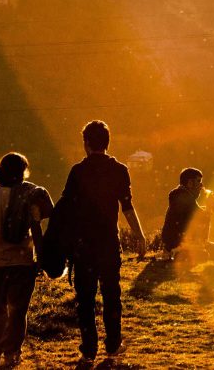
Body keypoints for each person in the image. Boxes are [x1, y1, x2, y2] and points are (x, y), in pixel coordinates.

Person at [59, 120, 146, 364]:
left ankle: (88, 349)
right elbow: (127, 207)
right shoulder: (119, 170)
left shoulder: (78, 171)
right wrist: (139, 236)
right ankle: (113, 344)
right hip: (108, 243)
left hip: (83, 244)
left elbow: (66, 207)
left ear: (85, 143)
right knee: (111, 294)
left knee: (85, 298)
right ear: (108, 142)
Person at [0, 152, 53, 368]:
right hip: (23, 263)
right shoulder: (29, 196)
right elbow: (36, 228)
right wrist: (40, 257)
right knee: (18, 311)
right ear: (22, 172)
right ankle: (12, 353)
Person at [161, 168, 211, 265]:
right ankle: (180, 253)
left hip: (177, 242)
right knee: (209, 254)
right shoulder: (181, 195)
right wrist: (209, 208)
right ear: (190, 183)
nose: (201, 185)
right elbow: (199, 214)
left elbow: (193, 210)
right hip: (178, 243)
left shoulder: (181, 194)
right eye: (198, 181)